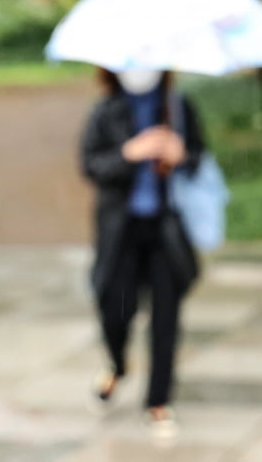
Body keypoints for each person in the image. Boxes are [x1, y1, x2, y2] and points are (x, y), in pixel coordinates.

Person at [80, 68, 205, 436]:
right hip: (122, 231)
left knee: (166, 316)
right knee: (115, 309)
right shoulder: (106, 111)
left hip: (165, 228)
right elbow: (90, 164)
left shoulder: (178, 107)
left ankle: (158, 400)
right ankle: (117, 365)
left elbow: (199, 156)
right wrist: (131, 152)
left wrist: (180, 154)